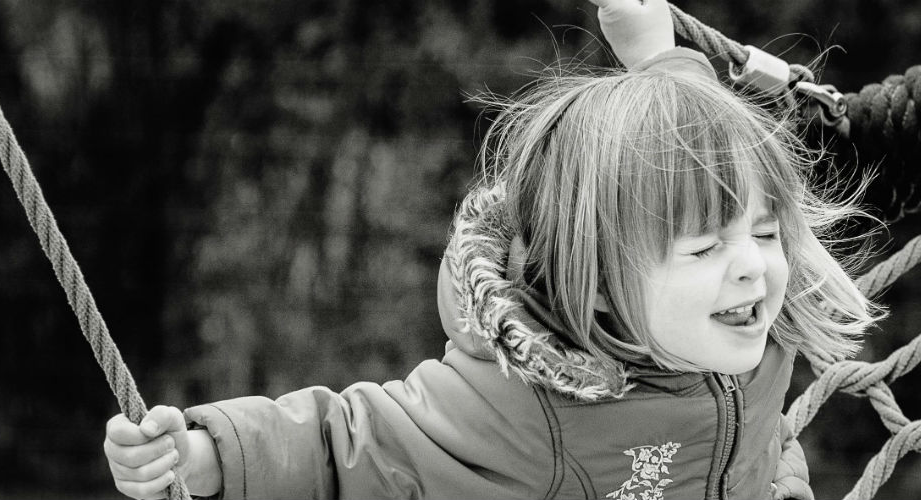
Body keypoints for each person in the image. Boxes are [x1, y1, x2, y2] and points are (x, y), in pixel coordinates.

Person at [103, 1, 880, 498]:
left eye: (769, 232)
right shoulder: (524, 412)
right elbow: (351, 446)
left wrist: (656, 56)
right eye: (707, 247)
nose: (755, 262)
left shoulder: (745, 325)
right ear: (602, 284)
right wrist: (206, 457)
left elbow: (696, 148)